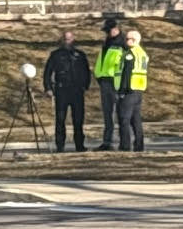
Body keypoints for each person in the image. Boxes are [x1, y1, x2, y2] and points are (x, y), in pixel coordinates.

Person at [43, 30, 92, 153]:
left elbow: (87, 71)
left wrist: (85, 86)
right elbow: (47, 73)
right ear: (62, 40)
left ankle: (79, 145)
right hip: (61, 90)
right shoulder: (55, 55)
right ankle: (60, 146)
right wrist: (48, 88)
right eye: (65, 39)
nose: (67, 41)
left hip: (77, 91)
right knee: (60, 119)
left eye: (69, 39)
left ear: (73, 39)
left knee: (78, 119)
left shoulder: (80, 55)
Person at [114, 26, 149, 152]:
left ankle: (125, 145)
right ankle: (139, 145)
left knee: (124, 119)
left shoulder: (129, 54)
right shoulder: (142, 54)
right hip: (139, 90)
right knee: (136, 120)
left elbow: (126, 74)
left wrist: (122, 91)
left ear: (133, 40)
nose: (125, 40)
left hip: (128, 91)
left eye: (127, 38)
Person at [93, 14, 126, 142]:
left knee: (121, 114)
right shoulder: (107, 42)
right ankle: (107, 141)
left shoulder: (123, 43)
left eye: (108, 30)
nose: (106, 33)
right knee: (107, 115)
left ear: (115, 28)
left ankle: (124, 141)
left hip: (116, 82)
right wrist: (99, 77)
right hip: (104, 81)